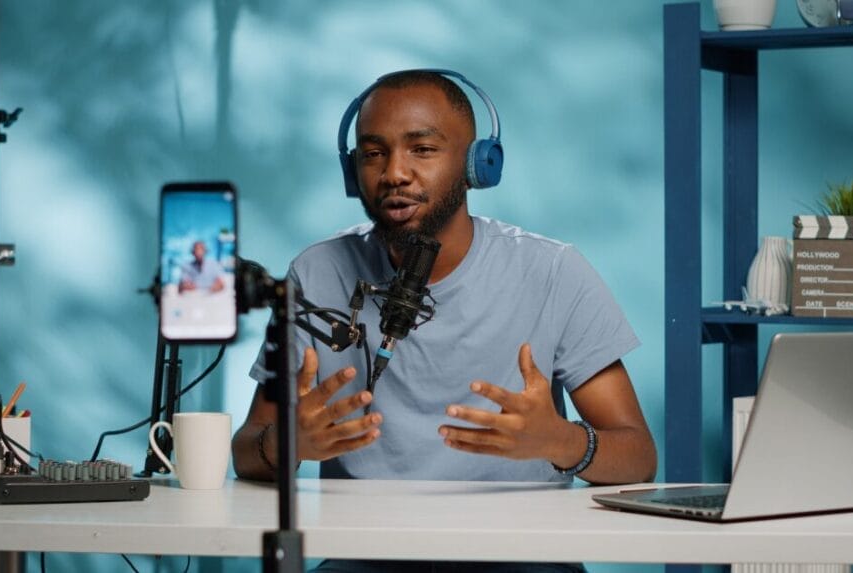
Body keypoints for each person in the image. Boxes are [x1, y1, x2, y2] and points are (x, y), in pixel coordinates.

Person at [232, 70, 657, 573]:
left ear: (477, 163)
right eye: (373, 154)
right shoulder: (315, 274)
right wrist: (288, 444)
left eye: (422, 149)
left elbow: (638, 456)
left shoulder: (552, 271)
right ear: (354, 172)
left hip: (521, 559)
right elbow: (247, 450)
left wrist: (558, 441)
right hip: (368, 559)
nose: (394, 172)